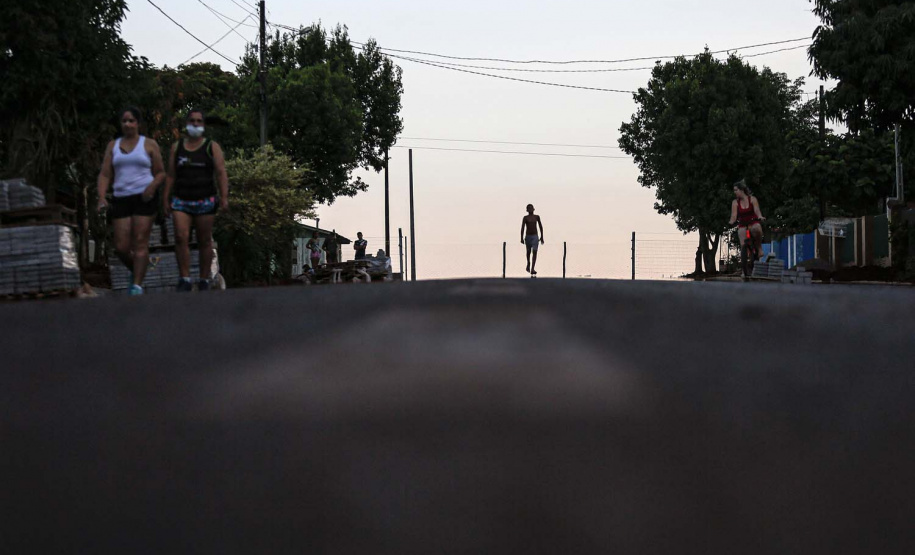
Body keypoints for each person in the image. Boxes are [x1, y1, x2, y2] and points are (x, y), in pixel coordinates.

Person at [97, 107, 166, 296]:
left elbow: (160, 172)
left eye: (131, 121)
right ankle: (139, 268)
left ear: (138, 123)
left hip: (144, 197)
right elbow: (104, 174)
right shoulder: (113, 146)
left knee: (140, 242)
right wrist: (102, 196)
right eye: (124, 121)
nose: (127, 124)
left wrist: (151, 187)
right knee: (120, 247)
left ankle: (136, 286)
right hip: (121, 198)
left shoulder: (149, 144)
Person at [163, 109, 229, 292]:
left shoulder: (211, 146)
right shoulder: (177, 147)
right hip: (181, 200)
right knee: (180, 236)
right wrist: (165, 198)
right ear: (186, 123)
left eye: (199, 121)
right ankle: (184, 278)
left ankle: (203, 279)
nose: (195, 124)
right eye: (192, 120)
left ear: (204, 125)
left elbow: (221, 172)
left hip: (205, 200)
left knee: (204, 240)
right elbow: (170, 175)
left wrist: (224, 197)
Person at [728, 179, 766, 261]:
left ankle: (759, 248)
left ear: (741, 190)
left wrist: (760, 216)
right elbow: (734, 215)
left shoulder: (752, 199)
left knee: (757, 229)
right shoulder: (735, 202)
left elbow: (757, 210)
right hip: (742, 224)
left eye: (736, 190)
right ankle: (745, 265)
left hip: (753, 221)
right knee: (743, 244)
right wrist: (731, 222)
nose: (734, 192)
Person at [520, 204, 545, 276]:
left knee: (534, 251)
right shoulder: (525, 218)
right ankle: (528, 262)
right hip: (528, 236)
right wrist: (521, 238)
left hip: (535, 236)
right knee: (528, 252)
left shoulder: (537, 217)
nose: (530, 210)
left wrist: (542, 236)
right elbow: (522, 228)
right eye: (529, 208)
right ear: (527, 210)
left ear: (533, 209)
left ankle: (532, 268)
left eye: (531, 208)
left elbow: (540, 226)